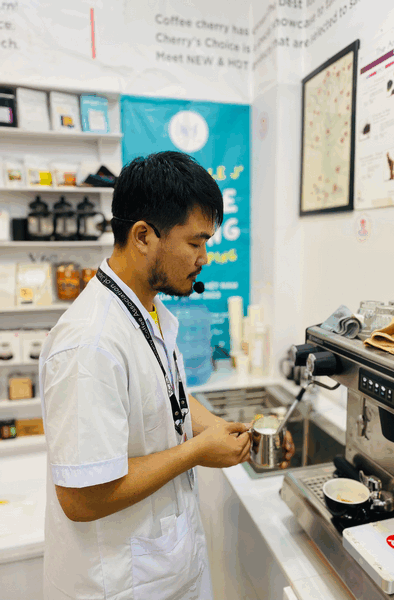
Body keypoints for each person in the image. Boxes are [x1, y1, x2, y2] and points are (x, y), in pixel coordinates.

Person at [39, 151, 294, 600]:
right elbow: (81, 497)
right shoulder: (89, 344)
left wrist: (234, 432)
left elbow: (168, 396)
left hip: (165, 567)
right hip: (119, 584)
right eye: (195, 243)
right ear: (143, 236)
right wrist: (197, 452)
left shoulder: (146, 310)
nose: (204, 258)